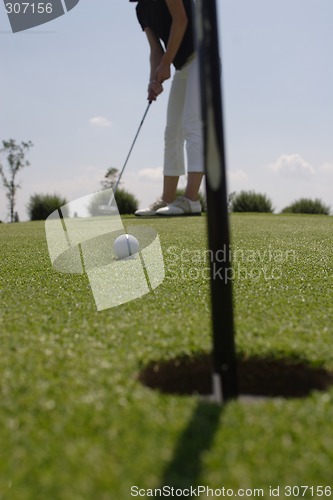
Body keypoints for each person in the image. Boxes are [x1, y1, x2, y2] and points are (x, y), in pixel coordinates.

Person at [130, 0, 204, 216]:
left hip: (202, 58)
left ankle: (191, 200)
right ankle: (168, 199)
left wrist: (165, 64)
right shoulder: (140, 9)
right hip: (183, 67)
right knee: (172, 132)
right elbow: (156, 49)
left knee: (192, 125)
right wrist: (154, 79)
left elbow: (181, 21)